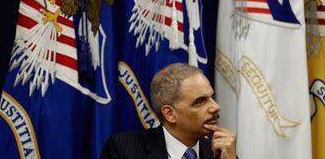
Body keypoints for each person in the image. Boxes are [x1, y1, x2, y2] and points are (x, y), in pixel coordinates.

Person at [101, 63, 237, 159]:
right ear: (170, 114)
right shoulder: (124, 149)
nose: (216, 107)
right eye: (200, 101)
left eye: (212, 97)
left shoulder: (221, 152)